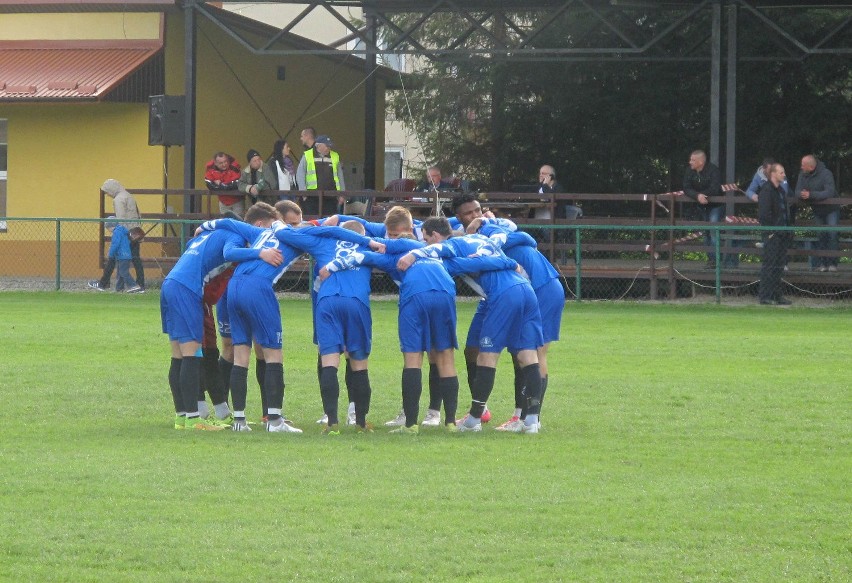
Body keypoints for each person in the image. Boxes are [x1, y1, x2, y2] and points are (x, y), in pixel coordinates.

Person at [397, 217, 543, 434]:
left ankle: (474, 419)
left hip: (503, 295)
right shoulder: (486, 242)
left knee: (486, 356)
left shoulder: (453, 249)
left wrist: (412, 255)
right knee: (527, 355)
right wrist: (510, 263)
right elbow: (513, 240)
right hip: (526, 289)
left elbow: (445, 255)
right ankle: (532, 420)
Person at [161, 202, 283, 430]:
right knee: (191, 354)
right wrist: (261, 253)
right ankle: (194, 419)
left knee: (178, 354)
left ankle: (182, 417)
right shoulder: (233, 234)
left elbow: (192, 246)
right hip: (187, 289)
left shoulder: (209, 234)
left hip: (171, 284)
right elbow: (229, 252)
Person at [471, 218, 564, 432]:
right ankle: (525, 417)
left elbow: (526, 238)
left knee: (533, 354)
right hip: (548, 287)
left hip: (541, 290)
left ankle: (528, 418)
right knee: (534, 355)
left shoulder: (495, 239)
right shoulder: (507, 238)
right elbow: (527, 238)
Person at [88, 179, 145, 292]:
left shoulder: (118, 199)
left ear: (112, 188)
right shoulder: (129, 196)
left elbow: (120, 218)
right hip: (135, 232)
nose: (108, 194)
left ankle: (104, 284)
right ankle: (138, 284)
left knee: (112, 259)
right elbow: (138, 214)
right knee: (135, 260)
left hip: (126, 233)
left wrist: (120, 232)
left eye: (108, 191)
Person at [682, 150, 725, 268]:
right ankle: (711, 260)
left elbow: (715, 188)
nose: (690, 162)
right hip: (701, 206)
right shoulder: (689, 171)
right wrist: (697, 196)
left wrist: (702, 195)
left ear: (701, 162)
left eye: (693, 160)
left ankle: (717, 261)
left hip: (715, 206)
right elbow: (686, 187)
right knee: (706, 233)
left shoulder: (713, 170)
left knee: (713, 231)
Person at [758, 164, 793, 306]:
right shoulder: (766, 190)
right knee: (769, 264)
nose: (784, 174)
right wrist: (772, 231)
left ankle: (777, 295)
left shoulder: (781, 191)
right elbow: (764, 214)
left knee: (779, 265)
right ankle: (765, 296)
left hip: (782, 233)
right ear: (773, 174)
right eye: (781, 172)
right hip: (773, 233)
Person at [795, 155, 838, 272]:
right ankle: (823, 263)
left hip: (831, 210)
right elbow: (797, 191)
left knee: (832, 235)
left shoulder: (826, 173)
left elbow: (829, 192)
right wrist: (802, 195)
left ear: (811, 166)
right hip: (817, 210)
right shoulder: (802, 175)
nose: (801, 167)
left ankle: (833, 264)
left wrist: (811, 195)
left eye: (803, 165)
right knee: (821, 236)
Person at [296, 134, 346, 216]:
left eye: (330, 146)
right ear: (318, 145)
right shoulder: (307, 155)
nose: (329, 148)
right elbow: (300, 174)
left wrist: (342, 194)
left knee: (329, 222)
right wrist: (303, 193)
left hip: (331, 197)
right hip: (311, 197)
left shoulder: (335, 156)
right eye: (327, 146)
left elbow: (340, 176)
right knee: (312, 221)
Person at [103, 217, 143, 293]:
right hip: (126, 255)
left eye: (108, 228)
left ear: (111, 226)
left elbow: (115, 244)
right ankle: (119, 288)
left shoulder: (117, 232)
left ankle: (134, 286)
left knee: (123, 272)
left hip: (122, 255)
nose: (109, 230)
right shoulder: (123, 231)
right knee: (120, 272)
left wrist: (110, 254)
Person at [204, 152, 243, 216]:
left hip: (237, 201)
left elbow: (236, 184)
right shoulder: (211, 169)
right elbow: (209, 184)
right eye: (221, 163)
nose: (224, 164)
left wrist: (220, 184)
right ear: (215, 163)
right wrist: (225, 185)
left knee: (238, 223)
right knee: (225, 223)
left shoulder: (234, 167)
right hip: (223, 202)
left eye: (225, 162)